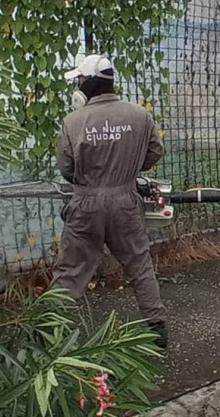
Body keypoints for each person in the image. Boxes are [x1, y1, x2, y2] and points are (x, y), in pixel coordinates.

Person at [50, 54, 169, 347]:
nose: (77, 84)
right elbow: (155, 151)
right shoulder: (139, 115)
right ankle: (157, 327)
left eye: (79, 79)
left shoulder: (72, 121)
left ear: (88, 83)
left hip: (86, 204)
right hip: (126, 201)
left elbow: (66, 168)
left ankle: (50, 332)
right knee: (139, 263)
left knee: (70, 270)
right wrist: (127, 170)